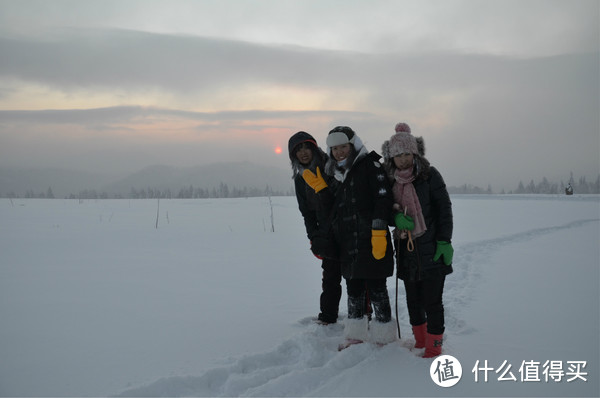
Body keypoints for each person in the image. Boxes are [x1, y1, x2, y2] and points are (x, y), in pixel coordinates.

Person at [303, 126, 397, 348]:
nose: (339, 152)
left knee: (377, 288)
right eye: (334, 148)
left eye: (343, 147)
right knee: (353, 288)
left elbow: (383, 199)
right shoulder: (334, 173)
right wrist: (322, 190)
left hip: (372, 239)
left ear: (353, 145)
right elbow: (333, 209)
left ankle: (384, 337)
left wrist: (378, 230)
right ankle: (356, 334)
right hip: (347, 241)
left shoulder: (370, 166)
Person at [382, 122, 454, 358]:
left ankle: (434, 347)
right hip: (406, 250)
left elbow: (444, 209)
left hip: (431, 248)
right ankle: (421, 341)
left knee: (433, 302)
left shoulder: (429, 175)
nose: (402, 159)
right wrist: (395, 217)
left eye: (406, 154)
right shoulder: (389, 180)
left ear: (415, 153)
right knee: (413, 301)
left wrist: (444, 241)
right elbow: (382, 209)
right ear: (391, 158)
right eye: (397, 155)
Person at [288, 131, 342, 325]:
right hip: (325, 233)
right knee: (330, 277)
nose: (303, 153)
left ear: (314, 148)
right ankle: (328, 317)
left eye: (306, 147)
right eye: (298, 150)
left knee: (357, 277)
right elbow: (306, 212)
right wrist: (314, 237)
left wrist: (324, 190)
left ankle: (365, 315)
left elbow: (340, 199)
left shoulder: (330, 166)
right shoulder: (300, 178)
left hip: (345, 228)